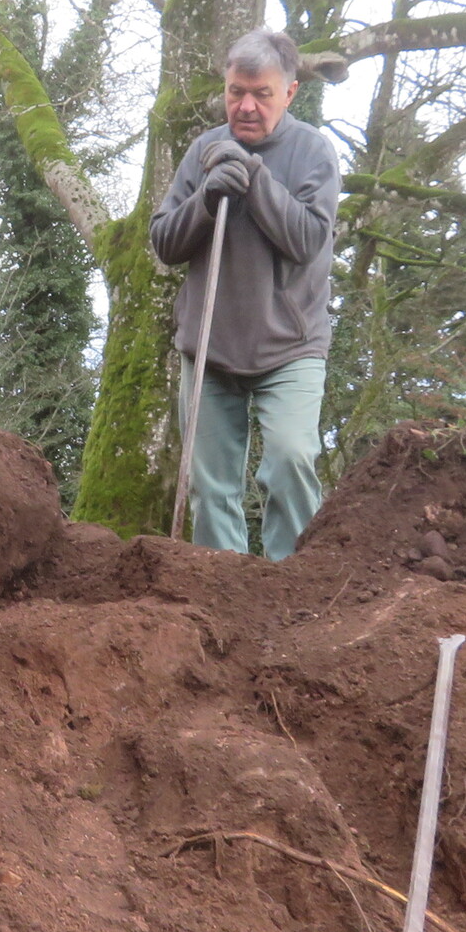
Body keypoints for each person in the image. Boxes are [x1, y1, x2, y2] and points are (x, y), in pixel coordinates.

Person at [149, 29, 342, 560]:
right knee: (210, 487)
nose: (246, 106)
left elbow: (307, 240)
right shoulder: (203, 151)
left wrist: (254, 180)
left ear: (290, 92)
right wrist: (206, 199)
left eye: (261, 94)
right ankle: (219, 587)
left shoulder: (313, 152)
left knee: (290, 460)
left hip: (291, 346)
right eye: (236, 92)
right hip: (209, 346)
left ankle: (292, 583)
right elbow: (164, 242)